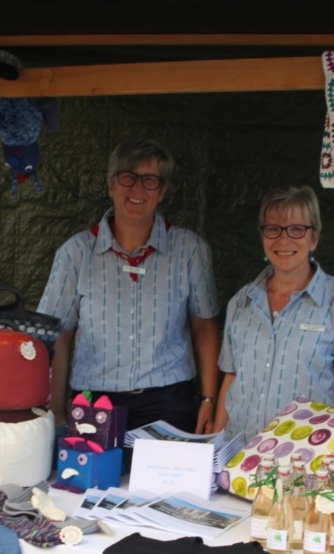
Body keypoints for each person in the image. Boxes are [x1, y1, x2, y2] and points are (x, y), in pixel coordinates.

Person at [38, 138, 221, 435]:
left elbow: (205, 327)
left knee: (168, 469)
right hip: (95, 399)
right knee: (93, 468)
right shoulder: (76, 253)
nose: (137, 189)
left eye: (150, 180)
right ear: (110, 185)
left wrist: (209, 399)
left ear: (162, 191)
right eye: (127, 177)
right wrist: (57, 412)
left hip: (169, 398)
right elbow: (57, 336)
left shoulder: (190, 250)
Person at [213, 186, 334, 445]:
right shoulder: (241, 302)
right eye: (273, 229)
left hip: (306, 458)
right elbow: (231, 378)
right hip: (238, 453)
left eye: (296, 229)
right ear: (263, 236)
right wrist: (214, 450)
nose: (283, 239)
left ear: (314, 238)